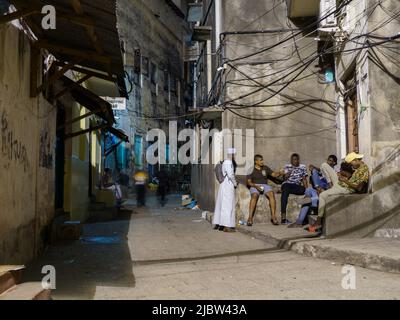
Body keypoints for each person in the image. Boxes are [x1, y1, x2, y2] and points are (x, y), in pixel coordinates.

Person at [309, 152, 370, 232]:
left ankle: (319, 220)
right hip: (341, 183)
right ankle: (331, 186)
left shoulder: (364, 170)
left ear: (355, 160)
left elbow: (358, 188)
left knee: (322, 195)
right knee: (324, 165)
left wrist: (345, 181)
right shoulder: (359, 166)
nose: (351, 166)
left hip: (346, 188)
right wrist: (341, 176)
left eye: (351, 164)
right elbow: (350, 176)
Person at [289, 162, 354, 228]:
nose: (340, 171)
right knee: (309, 190)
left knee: (317, 197)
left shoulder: (339, 172)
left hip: (328, 191)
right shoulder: (329, 174)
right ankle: (308, 202)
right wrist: (320, 187)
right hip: (325, 188)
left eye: (341, 171)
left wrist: (325, 189)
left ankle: (301, 219)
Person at [246, 154, 283, 226]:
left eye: (262, 160)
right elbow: (249, 182)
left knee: (271, 194)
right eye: (260, 160)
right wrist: (256, 187)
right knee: (254, 196)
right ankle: (250, 218)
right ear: (256, 161)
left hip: (265, 185)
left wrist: (279, 173)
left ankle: (273, 217)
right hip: (255, 185)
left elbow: (274, 174)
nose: (262, 162)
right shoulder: (251, 169)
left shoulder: (265, 168)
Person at [213, 148, 238, 233]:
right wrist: (235, 183)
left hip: (224, 185)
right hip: (228, 184)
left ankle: (220, 224)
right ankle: (226, 226)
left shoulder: (225, 162)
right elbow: (231, 175)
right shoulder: (228, 162)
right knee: (227, 205)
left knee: (222, 204)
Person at [280, 153, 309, 224]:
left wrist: (306, 189)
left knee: (303, 189)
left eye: (295, 160)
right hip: (287, 184)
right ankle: (283, 217)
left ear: (298, 160)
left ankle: (286, 191)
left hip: (296, 186)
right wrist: (288, 173)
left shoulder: (302, 167)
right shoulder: (287, 166)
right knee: (285, 188)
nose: (294, 161)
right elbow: (284, 179)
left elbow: (304, 179)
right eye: (292, 160)